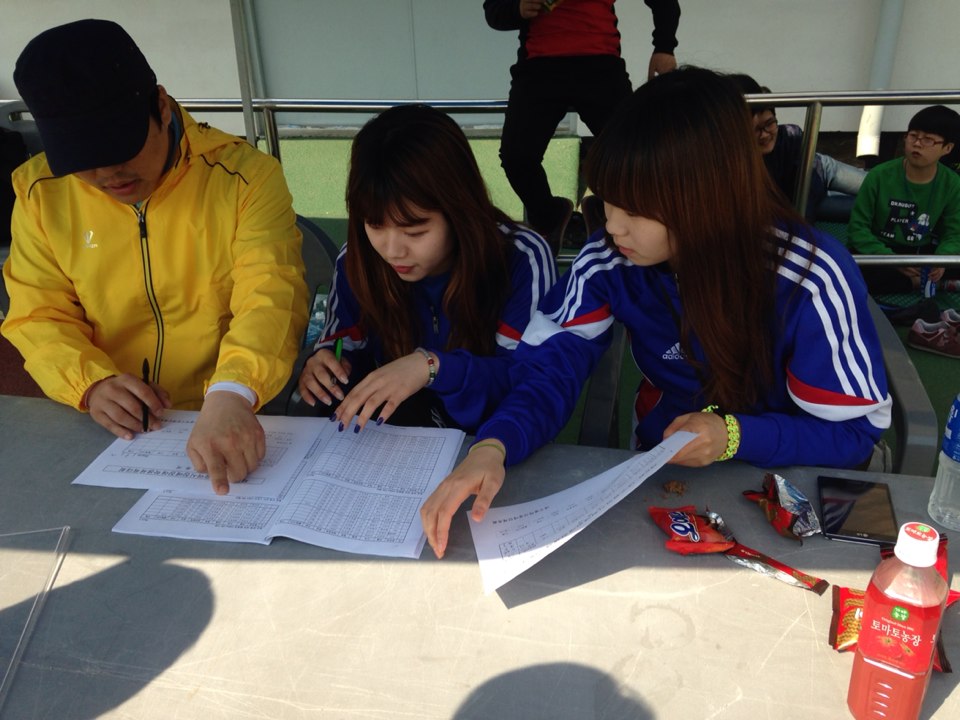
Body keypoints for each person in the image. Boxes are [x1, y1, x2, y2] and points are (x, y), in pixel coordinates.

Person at [421, 67, 892, 558]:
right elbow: (547, 370)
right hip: (663, 471)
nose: (613, 226)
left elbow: (852, 434)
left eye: (636, 209)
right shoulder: (610, 260)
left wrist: (734, 435)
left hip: (784, 485)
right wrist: (493, 446)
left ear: (710, 197)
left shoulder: (809, 277)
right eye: (606, 201)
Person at [2, 20, 308, 495]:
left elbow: (271, 293)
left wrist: (233, 390)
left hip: (225, 412)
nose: (108, 175)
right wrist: (91, 383)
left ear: (161, 106)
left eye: (121, 148)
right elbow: (38, 314)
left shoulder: (245, 178)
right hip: (106, 425)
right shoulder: (41, 192)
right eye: (83, 161)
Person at [297, 104, 557, 433]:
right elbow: (345, 345)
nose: (392, 250)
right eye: (374, 225)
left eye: (415, 231)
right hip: (394, 445)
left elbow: (530, 383)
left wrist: (432, 368)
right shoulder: (357, 260)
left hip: (495, 444)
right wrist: (326, 366)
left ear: (459, 210)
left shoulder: (520, 258)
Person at [484, 0, 681, 250]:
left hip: (601, 67)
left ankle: (601, 208)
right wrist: (517, 8)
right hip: (538, 69)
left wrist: (664, 47)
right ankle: (550, 216)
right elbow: (493, 10)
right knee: (516, 157)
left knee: (635, 154)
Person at [847, 105, 960, 295]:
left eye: (928, 139)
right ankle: (924, 284)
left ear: (947, 148)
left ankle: (923, 281)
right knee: (851, 270)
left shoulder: (952, 183)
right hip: (879, 250)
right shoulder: (879, 176)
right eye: (913, 136)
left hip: (922, 253)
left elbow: (954, 233)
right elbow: (857, 230)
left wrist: (941, 260)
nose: (917, 144)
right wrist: (892, 260)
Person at [729, 73, 866, 221]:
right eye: (755, 130)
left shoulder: (790, 137)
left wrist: (801, 225)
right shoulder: (736, 161)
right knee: (864, 208)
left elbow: (808, 191)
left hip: (819, 172)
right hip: (795, 198)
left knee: (877, 188)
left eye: (770, 123)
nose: (764, 134)